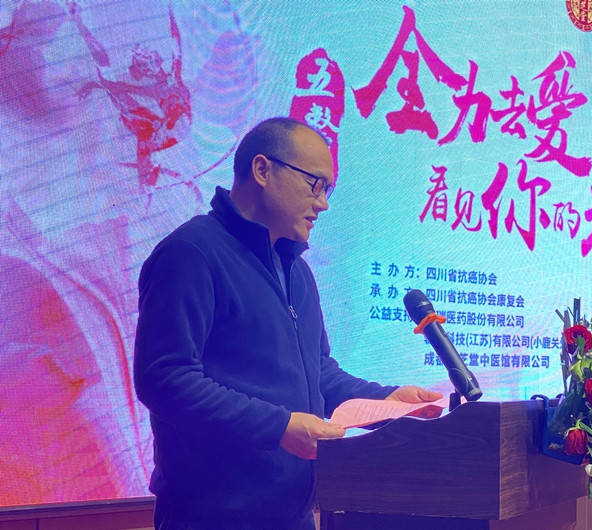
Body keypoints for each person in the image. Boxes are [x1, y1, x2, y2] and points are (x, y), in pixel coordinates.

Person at [133, 117, 441, 530]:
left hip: (294, 515)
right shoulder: (191, 253)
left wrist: (388, 401)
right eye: (315, 184)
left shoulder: (296, 271)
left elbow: (319, 374)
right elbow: (165, 379)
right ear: (263, 170)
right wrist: (279, 426)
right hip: (214, 517)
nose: (323, 203)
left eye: (328, 190)